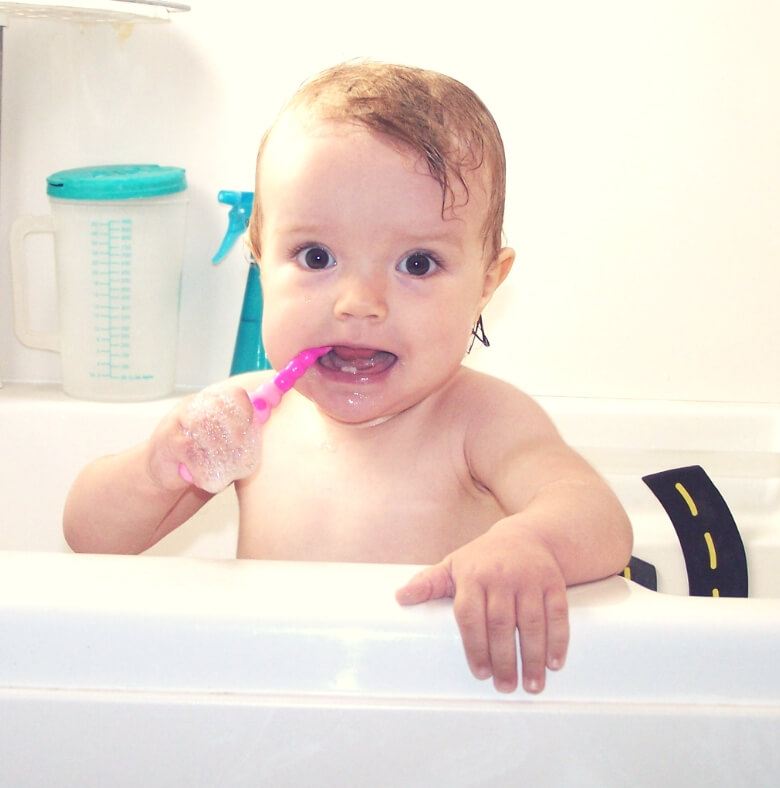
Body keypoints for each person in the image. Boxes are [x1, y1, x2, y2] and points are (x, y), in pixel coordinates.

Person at [64, 61, 633, 694]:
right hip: (282, 714)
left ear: (486, 284)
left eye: (417, 263)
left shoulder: (478, 420)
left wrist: (528, 544)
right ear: (259, 258)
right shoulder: (251, 420)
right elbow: (90, 540)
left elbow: (596, 515)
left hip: (430, 717)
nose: (358, 302)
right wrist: (154, 466)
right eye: (315, 257)